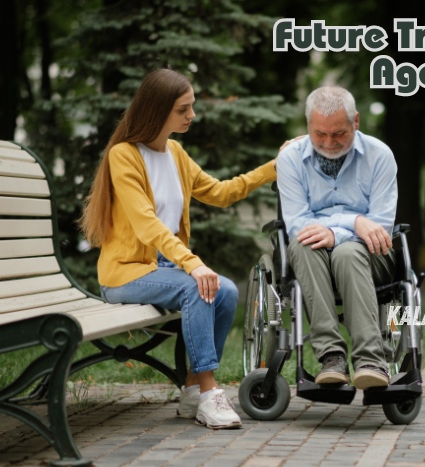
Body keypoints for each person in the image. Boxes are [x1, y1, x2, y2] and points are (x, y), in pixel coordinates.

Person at [80, 68, 277, 429]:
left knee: (227, 291)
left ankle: (190, 388)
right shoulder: (124, 155)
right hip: (125, 273)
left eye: (192, 107)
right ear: (158, 111)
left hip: (162, 269)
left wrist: (273, 168)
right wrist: (192, 264)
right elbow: (146, 224)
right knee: (197, 287)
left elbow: (220, 192)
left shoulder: (175, 152)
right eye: (183, 109)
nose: (192, 116)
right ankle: (208, 393)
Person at [276, 86, 398, 390]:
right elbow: (297, 224)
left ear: (356, 121)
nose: (329, 143)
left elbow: (380, 225)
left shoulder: (380, 156)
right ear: (308, 127)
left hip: (371, 256)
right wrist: (355, 222)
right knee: (302, 244)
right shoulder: (290, 159)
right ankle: (331, 357)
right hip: (312, 256)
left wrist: (339, 231)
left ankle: (370, 361)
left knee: (347, 253)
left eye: (339, 133)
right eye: (320, 134)